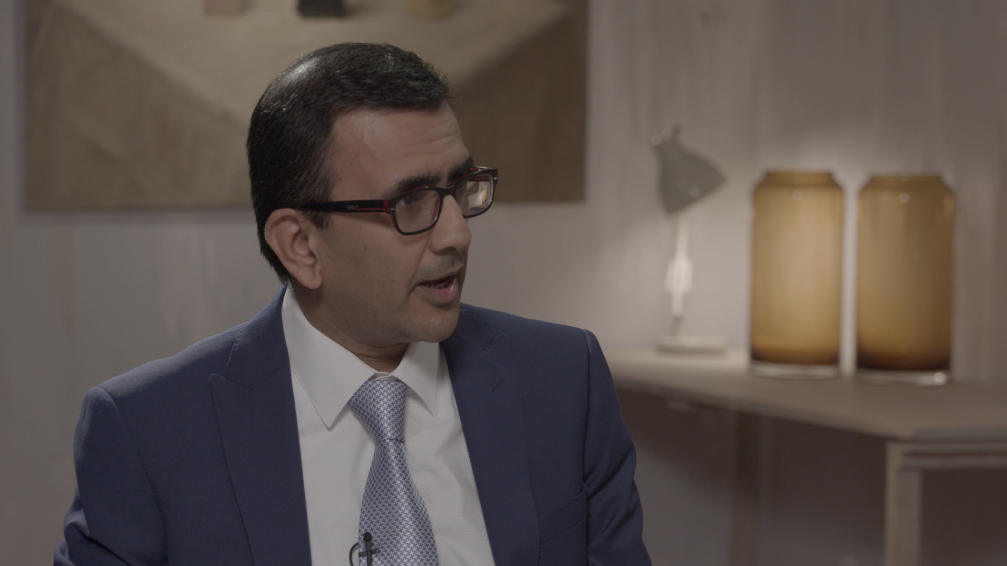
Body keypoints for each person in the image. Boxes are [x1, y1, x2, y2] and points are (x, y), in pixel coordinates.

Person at [54, 42, 650, 566]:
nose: (457, 234)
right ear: (301, 246)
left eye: (460, 187)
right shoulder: (148, 434)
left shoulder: (563, 380)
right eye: (410, 201)